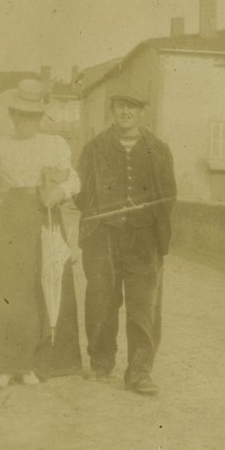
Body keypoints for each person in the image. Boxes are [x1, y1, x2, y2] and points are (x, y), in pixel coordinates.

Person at [0, 78, 82, 388]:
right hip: (9, 223)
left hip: (43, 221)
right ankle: (6, 365)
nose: (25, 121)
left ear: (40, 118)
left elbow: (74, 180)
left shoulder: (54, 145)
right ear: (12, 115)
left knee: (41, 288)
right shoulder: (0, 148)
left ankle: (35, 364)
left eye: (32, 115)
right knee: (9, 292)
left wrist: (58, 192)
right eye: (20, 115)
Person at [75, 86, 177, 397]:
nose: (125, 112)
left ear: (142, 112)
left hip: (143, 239)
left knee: (143, 306)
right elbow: (81, 194)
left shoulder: (158, 149)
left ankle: (139, 372)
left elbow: (168, 196)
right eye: (119, 106)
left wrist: (156, 232)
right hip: (102, 235)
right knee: (102, 300)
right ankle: (102, 361)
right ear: (112, 110)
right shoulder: (94, 148)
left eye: (131, 107)